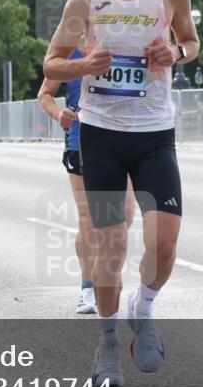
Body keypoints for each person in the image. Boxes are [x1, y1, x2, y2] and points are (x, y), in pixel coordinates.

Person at [43, 0, 200, 387]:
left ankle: (144, 307)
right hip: (102, 133)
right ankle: (108, 341)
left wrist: (174, 52)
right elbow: (51, 65)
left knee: (165, 242)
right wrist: (83, 65)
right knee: (110, 248)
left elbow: (192, 43)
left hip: (155, 132)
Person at [37, 49, 136, 315]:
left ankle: (106, 274)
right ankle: (88, 287)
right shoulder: (70, 49)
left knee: (125, 216)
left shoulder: (123, 41)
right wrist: (58, 114)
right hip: (81, 142)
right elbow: (44, 93)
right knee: (90, 221)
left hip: (123, 139)